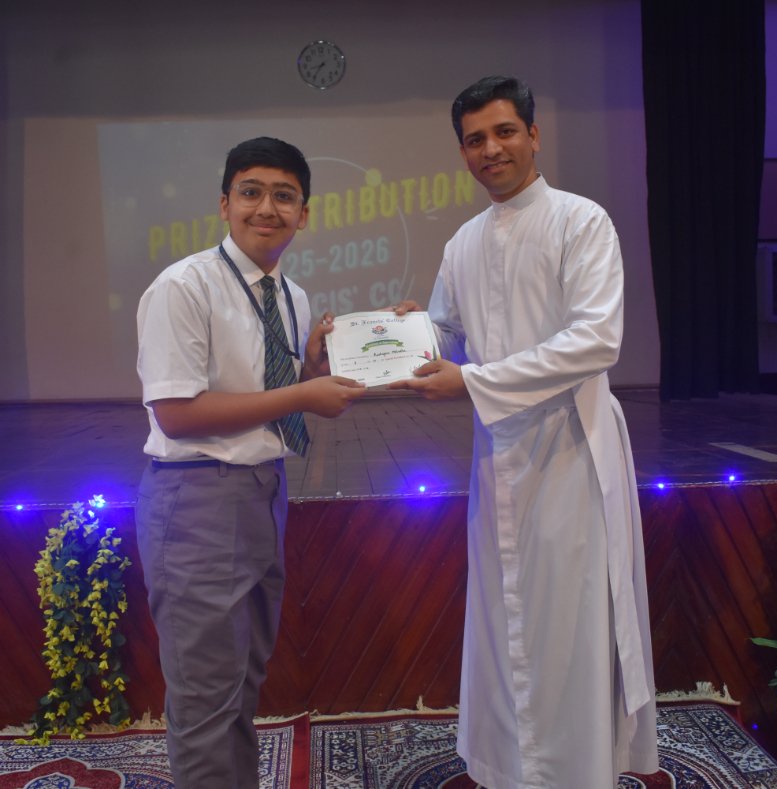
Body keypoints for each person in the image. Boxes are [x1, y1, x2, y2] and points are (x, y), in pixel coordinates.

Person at [388, 75, 658, 788]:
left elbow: (596, 340)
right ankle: (511, 770)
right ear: (462, 153)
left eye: (504, 132)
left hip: (572, 451)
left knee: (570, 626)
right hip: (498, 456)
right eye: (474, 139)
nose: (491, 149)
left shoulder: (581, 221)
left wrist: (474, 380)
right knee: (505, 616)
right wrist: (409, 333)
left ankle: (576, 773)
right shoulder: (464, 241)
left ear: (533, 136)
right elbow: (448, 332)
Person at [134, 136, 366, 788]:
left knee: (241, 680)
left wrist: (313, 368)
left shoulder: (290, 294)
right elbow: (176, 413)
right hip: (196, 499)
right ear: (224, 203)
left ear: (304, 213)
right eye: (252, 192)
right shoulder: (183, 286)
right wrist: (303, 395)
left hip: (265, 490)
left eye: (284, 196)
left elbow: (271, 390)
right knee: (205, 699)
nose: (267, 208)